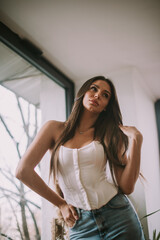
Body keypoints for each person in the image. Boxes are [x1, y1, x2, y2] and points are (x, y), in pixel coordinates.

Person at [16, 76, 145, 240]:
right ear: (83, 93)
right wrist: (61, 203)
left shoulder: (109, 134)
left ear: (106, 107)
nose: (97, 95)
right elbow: (23, 171)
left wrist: (136, 141)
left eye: (105, 95)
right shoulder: (53, 129)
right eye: (94, 88)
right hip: (81, 225)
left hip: (119, 217)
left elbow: (127, 187)